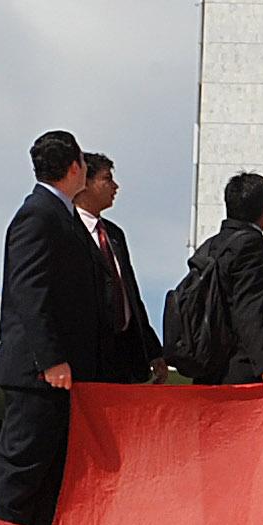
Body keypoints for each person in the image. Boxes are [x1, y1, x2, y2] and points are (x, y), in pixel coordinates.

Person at [0, 130, 105, 525]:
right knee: (21, 477)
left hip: (60, 378)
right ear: (75, 167)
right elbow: (29, 290)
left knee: (50, 480)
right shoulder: (38, 214)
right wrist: (52, 358)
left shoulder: (64, 215)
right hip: (39, 375)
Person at [184, 171, 263, 392]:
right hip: (241, 371)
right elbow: (251, 307)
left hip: (208, 366)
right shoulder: (252, 246)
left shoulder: (210, 247)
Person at [78, 152, 164, 384]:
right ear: (85, 183)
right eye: (107, 179)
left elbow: (131, 296)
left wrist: (152, 350)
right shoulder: (67, 229)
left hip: (124, 355)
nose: (115, 187)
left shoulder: (114, 235)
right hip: (88, 355)